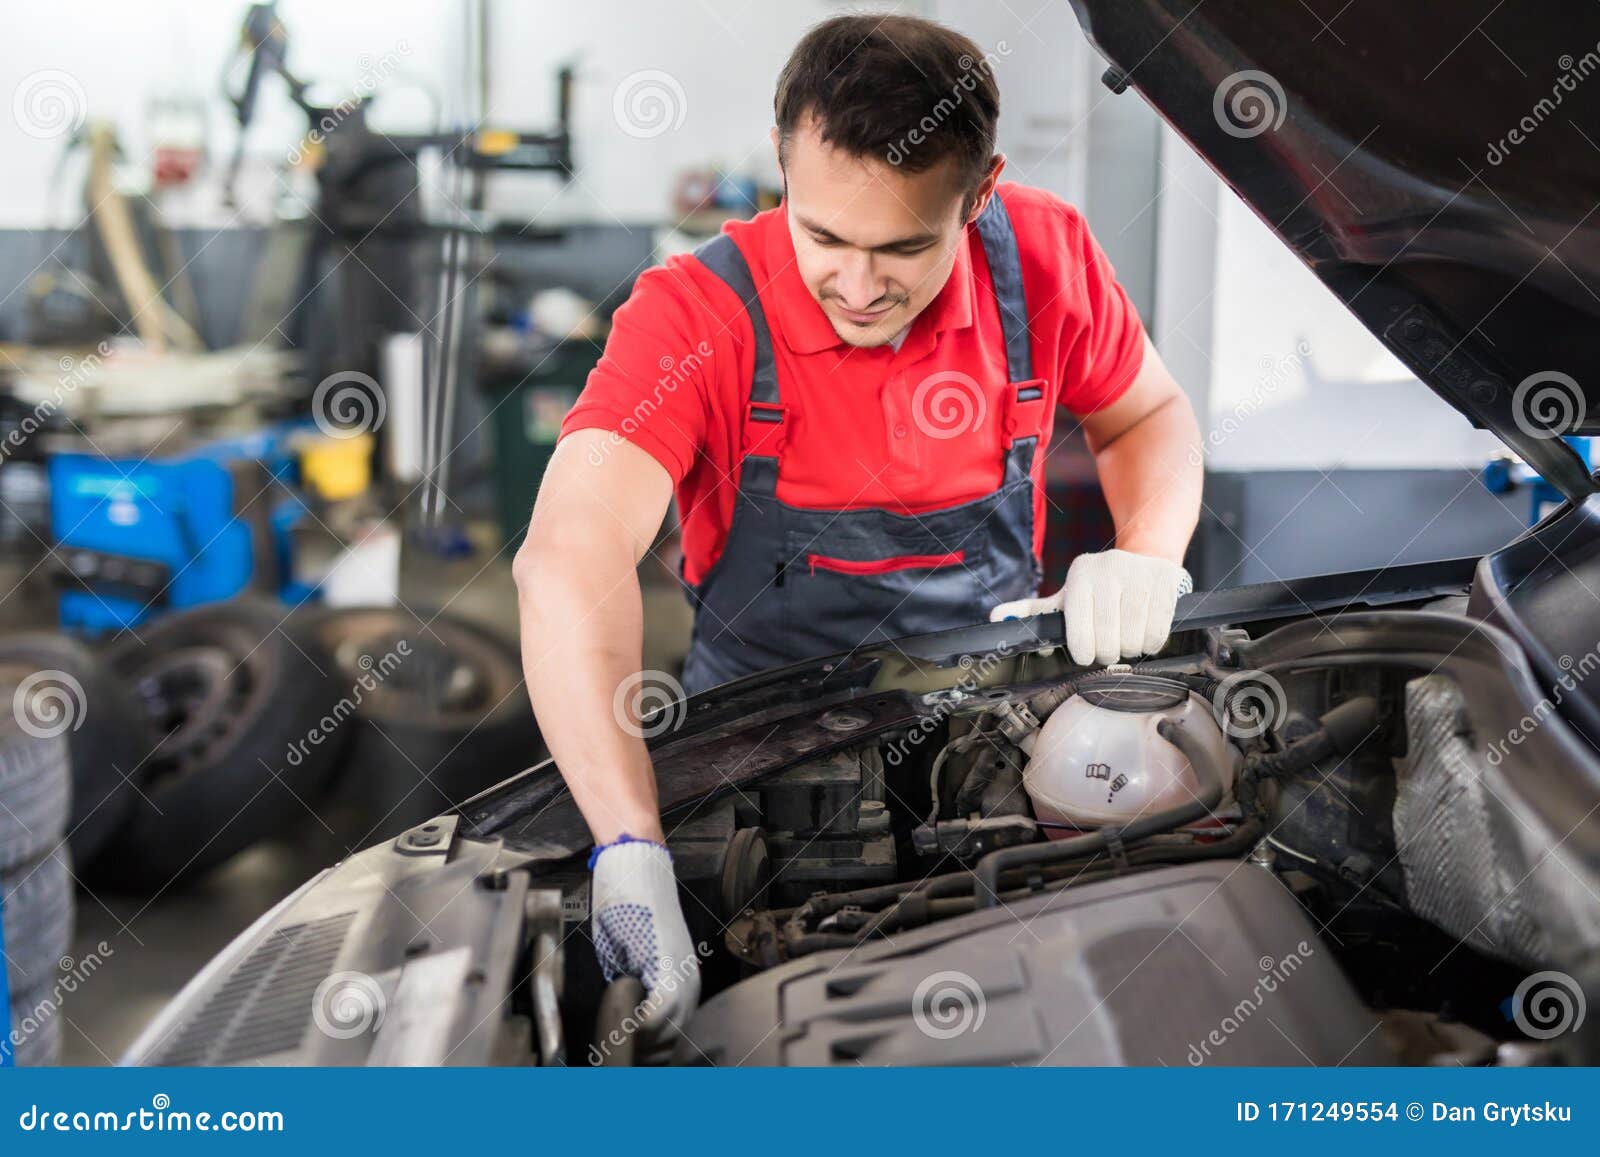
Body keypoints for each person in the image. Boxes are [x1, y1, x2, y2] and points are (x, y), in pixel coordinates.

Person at [513, 13, 1203, 1038]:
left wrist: (1144, 552)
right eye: (823, 235)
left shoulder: (1043, 257)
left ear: (979, 193)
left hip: (989, 730)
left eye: (904, 247)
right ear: (784, 169)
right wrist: (628, 846)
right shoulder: (694, 315)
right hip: (753, 742)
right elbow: (567, 560)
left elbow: (1146, 412)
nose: (858, 283)